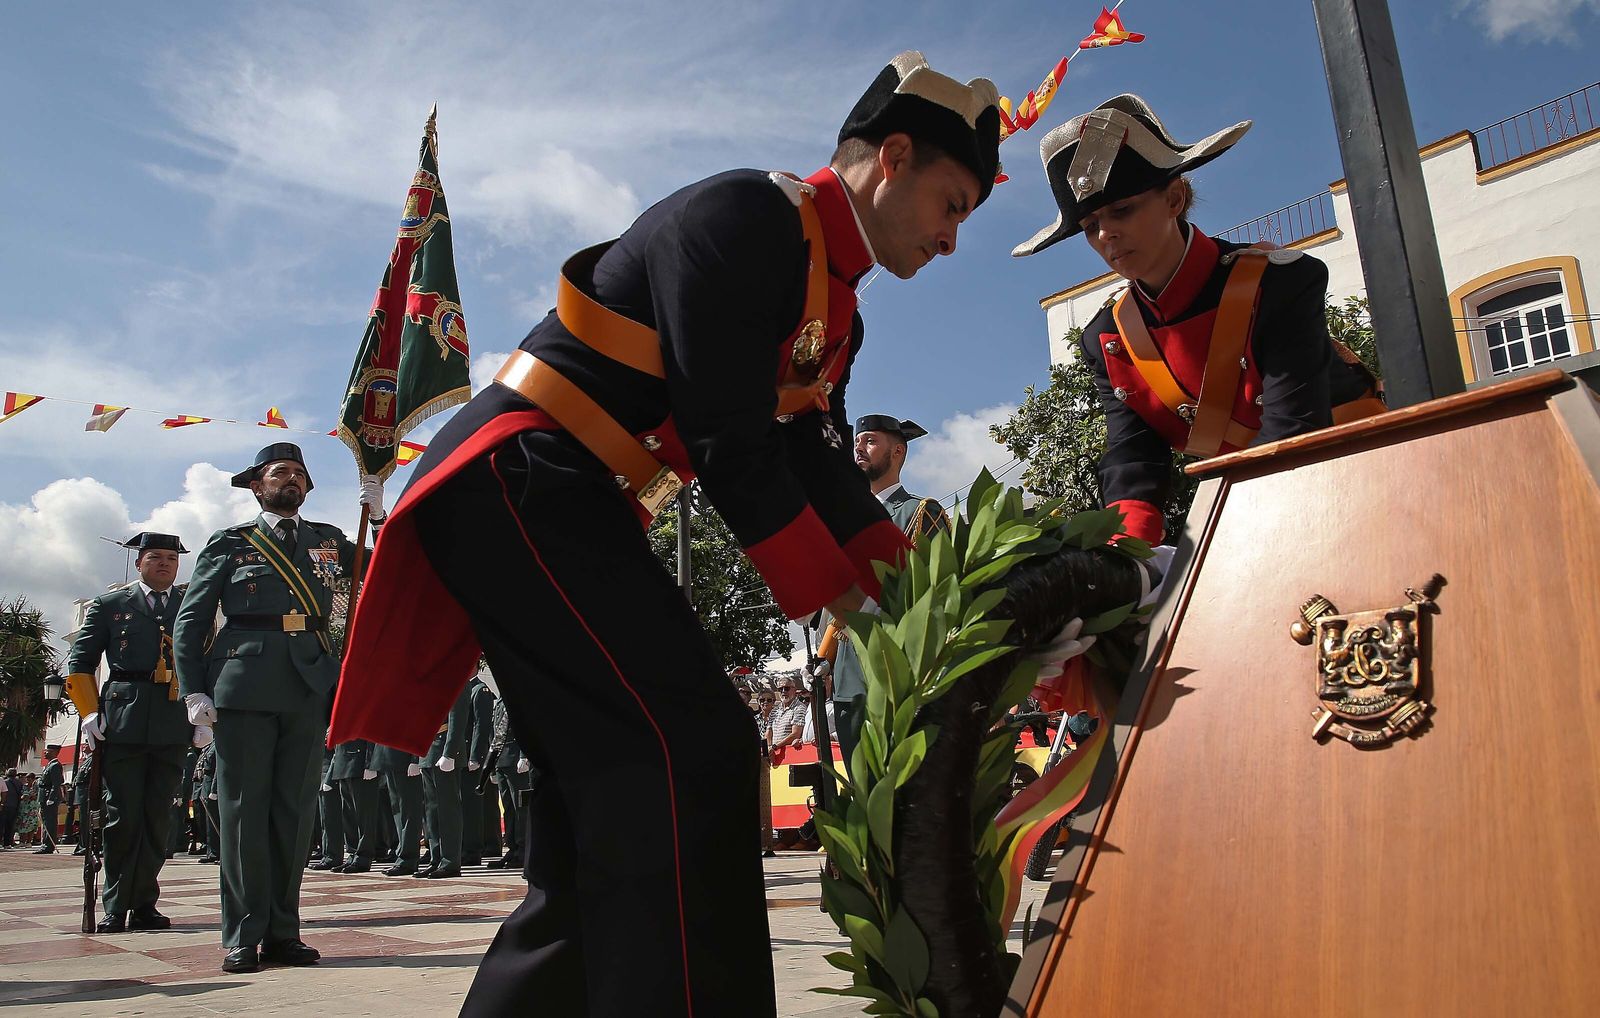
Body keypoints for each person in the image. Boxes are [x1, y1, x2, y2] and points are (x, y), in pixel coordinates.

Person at [328, 50, 1004, 1017]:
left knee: (612, 798)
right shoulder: (748, 217)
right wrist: (854, 606)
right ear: (892, 157)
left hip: (569, 499)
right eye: (952, 204)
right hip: (519, 476)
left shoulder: (834, 303)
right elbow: (732, 443)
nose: (952, 239)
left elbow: (819, 469)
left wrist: (938, 602)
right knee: (696, 754)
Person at [1011, 94, 1382, 546]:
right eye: (1091, 225)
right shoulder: (1108, 337)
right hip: (1248, 501)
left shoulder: (1280, 284)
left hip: (1355, 472)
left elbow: (1293, 427)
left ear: (1175, 198)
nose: (1106, 234)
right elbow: (1135, 458)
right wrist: (1125, 555)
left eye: (1122, 210)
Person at [173, 443, 380, 973]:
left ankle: (284, 932)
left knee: (294, 813)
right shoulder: (231, 544)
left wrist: (377, 516)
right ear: (256, 485)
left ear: (308, 488)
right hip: (243, 682)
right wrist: (194, 690)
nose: (290, 480)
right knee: (243, 811)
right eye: (278, 472)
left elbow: (384, 572)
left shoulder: (330, 540)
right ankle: (243, 933)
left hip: (309, 682)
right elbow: (192, 622)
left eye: (299, 474)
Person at [63, 531, 207, 933]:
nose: (164, 564)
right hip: (122, 718)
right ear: (140, 562)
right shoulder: (111, 604)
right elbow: (81, 660)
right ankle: (116, 902)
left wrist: (202, 716)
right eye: (156, 557)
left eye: (172, 559)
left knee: (159, 816)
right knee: (121, 816)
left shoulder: (189, 605)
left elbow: (205, 658)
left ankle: (144, 901)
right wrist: (89, 713)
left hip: (171, 717)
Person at [824, 414, 952, 763]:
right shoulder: (841, 516)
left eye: (869, 441)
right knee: (861, 790)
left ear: (897, 452)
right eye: (857, 442)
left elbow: (935, 592)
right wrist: (826, 660)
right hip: (849, 675)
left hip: (898, 672)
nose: (859, 449)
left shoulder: (919, 512)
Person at [418, 679, 472, 879]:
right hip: (429, 751)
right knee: (432, 811)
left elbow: (458, 717)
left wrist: (450, 753)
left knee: (447, 809)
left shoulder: (456, 680)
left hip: (444, 750)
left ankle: (450, 861)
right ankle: (436, 857)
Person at [486, 698, 533, 872]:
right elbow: (495, 734)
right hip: (501, 759)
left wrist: (524, 755)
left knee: (519, 807)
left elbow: (525, 726)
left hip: (515, 758)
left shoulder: (516, 695)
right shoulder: (499, 702)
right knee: (508, 807)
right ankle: (512, 848)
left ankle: (523, 849)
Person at [327, 738, 380, 873]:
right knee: (349, 815)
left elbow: (371, 733)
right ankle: (353, 853)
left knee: (364, 815)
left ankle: (363, 857)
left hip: (359, 760)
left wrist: (370, 763)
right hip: (343, 760)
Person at [372, 743, 424, 876]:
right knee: (397, 812)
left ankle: (408, 859)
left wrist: (415, 759)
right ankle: (402, 855)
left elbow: (417, 727)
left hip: (405, 757)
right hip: (388, 756)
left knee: (409, 812)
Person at [461, 675, 495, 866]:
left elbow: (480, 727)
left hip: (470, 757)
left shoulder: (480, 690)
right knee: (463, 804)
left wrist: (475, 756)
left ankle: (472, 850)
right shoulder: (465, 688)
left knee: (471, 806)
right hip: (461, 756)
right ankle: (465, 846)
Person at [35, 745, 64, 853]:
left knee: (49, 822)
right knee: (46, 821)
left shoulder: (55, 765)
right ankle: (45, 844)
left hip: (48, 796)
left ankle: (48, 845)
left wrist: (51, 798)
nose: (45, 753)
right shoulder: (49, 765)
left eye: (48, 751)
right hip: (44, 795)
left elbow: (56, 784)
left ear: (55, 752)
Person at [0, 767, 20, 849]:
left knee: (2, 825)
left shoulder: (4, 781)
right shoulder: (19, 783)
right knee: (10, 825)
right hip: (14, 806)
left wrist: (2, 803)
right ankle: (7, 843)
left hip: (4, 806)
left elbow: (4, 793)